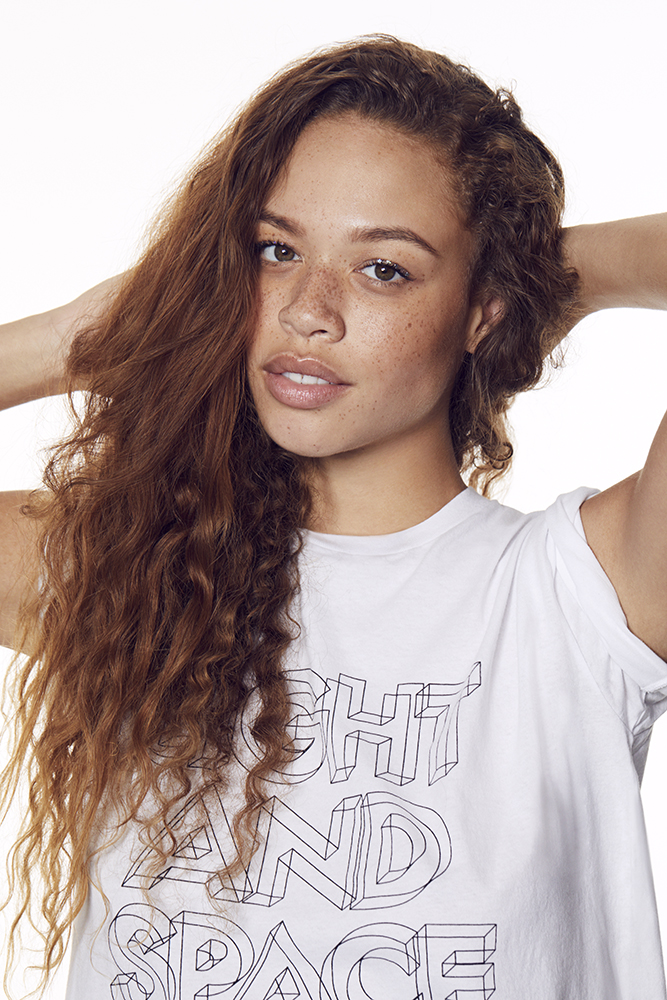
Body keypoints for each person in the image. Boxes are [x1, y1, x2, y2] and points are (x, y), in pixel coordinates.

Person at [0, 34, 665, 1000]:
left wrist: (546, 273)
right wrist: (75, 337)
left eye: (383, 269)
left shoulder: (585, 592)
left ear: (480, 311)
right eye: (276, 251)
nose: (308, 309)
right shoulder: (133, 567)